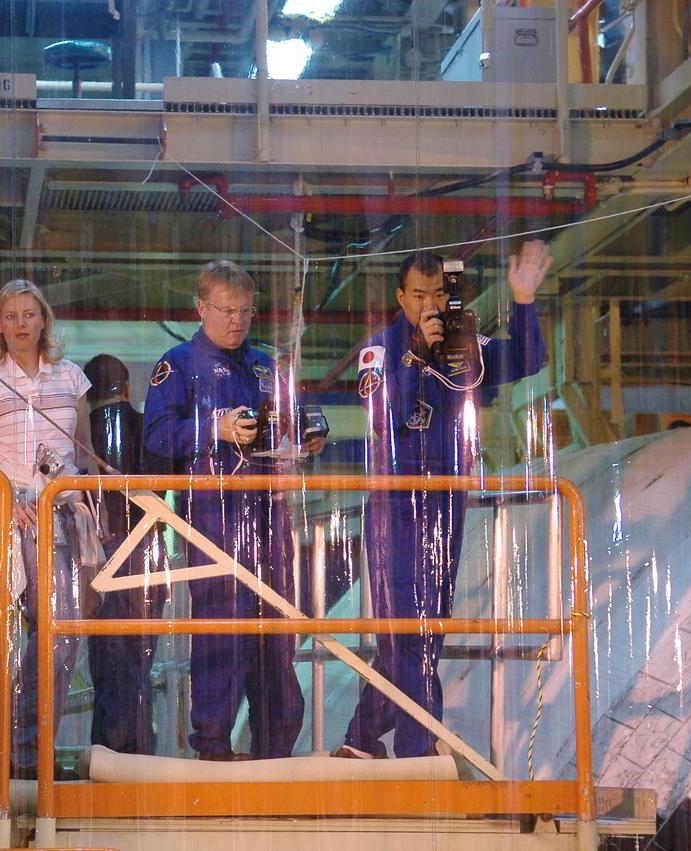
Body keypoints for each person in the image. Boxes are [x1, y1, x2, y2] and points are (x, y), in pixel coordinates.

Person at [336, 241, 550, 760]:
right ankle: (418, 748)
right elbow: (384, 412)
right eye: (419, 294)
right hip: (395, 509)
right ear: (400, 297)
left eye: (438, 294)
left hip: (446, 505)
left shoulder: (464, 348)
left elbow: (526, 358)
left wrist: (523, 302)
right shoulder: (379, 350)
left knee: (424, 629)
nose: (430, 304)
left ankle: (361, 740)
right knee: (409, 631)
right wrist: (417, 357)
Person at [142, 260, 323, 761]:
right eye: (226, 310)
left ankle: (275, 750)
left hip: (273, 513)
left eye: (245, 311)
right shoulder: (177, 363)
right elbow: (155, 436)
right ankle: (214, 747)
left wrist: (308, 437)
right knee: (223, 629)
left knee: (278, 630)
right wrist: (214, 429)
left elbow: (298, 416)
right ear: (201, 308)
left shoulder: (267, 364)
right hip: (214, 514)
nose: (237, 320)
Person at [0, 279, 95, 779]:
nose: (20, 323)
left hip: (66, 515)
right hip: (14, 520)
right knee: (25, 638)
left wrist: (82, 491)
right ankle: (19, 754)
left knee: (63, 636)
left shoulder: (72, 377)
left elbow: (83, 453)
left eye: (29, 314)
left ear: (44, 320)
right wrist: (8, 498)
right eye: (10, 315)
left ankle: (30, 750)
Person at [84, 353, 166, 755]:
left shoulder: (81, 435)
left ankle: (114, 752)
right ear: (128, 387)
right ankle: (137, 749)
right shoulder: (148, 428)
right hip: (150, 549)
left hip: (104, 552)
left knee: (109, 661)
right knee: (138, 660)